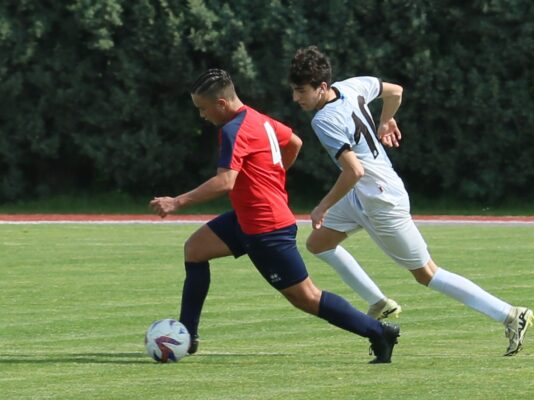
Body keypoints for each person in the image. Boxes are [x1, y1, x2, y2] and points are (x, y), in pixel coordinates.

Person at [288, 46, 534, 356]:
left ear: (322, 87)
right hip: (364, 195)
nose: (296, 98)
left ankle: (511, 315)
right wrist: (386, 121)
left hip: (380, 199)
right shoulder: (352, 85)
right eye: (294, 91)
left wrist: (322, 205)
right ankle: (379, 302)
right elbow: (395, 92)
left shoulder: (323, 120)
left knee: (427, 274)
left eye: (301, 91)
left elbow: (354, 170)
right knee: (318, 244)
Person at [149, 68, 400, 363]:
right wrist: (273, 174)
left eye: (202, 109)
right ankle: (187, 336)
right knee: (195, 250)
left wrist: (177, 202)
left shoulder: (232, 130)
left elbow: (225, 181)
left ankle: (379, 331)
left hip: (266, 228)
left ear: (220, 104)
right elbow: (294, 142)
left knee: (305, 297)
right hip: (246, 217)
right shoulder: (257, 118)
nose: (202, 115)